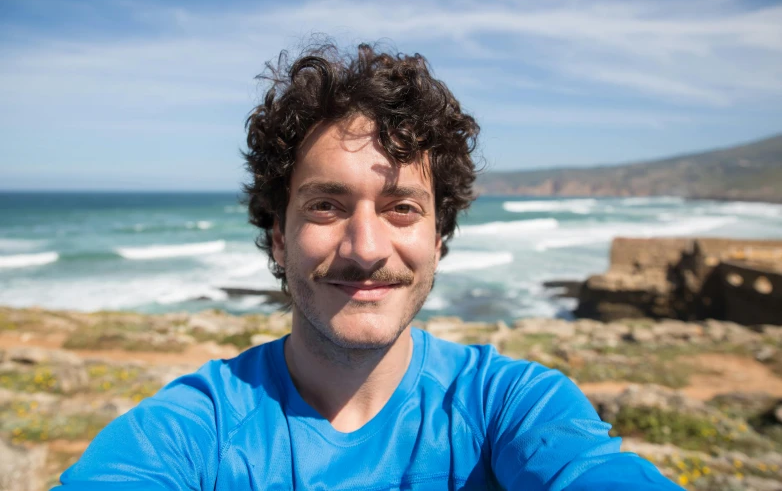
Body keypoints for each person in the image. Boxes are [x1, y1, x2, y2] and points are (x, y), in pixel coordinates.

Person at [56, 42, 683, 490]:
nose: (366, 246)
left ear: (440, 239)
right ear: (278, 237)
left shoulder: (509, 406)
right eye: (326, 205)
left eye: (402, 208)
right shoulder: (198, 428)